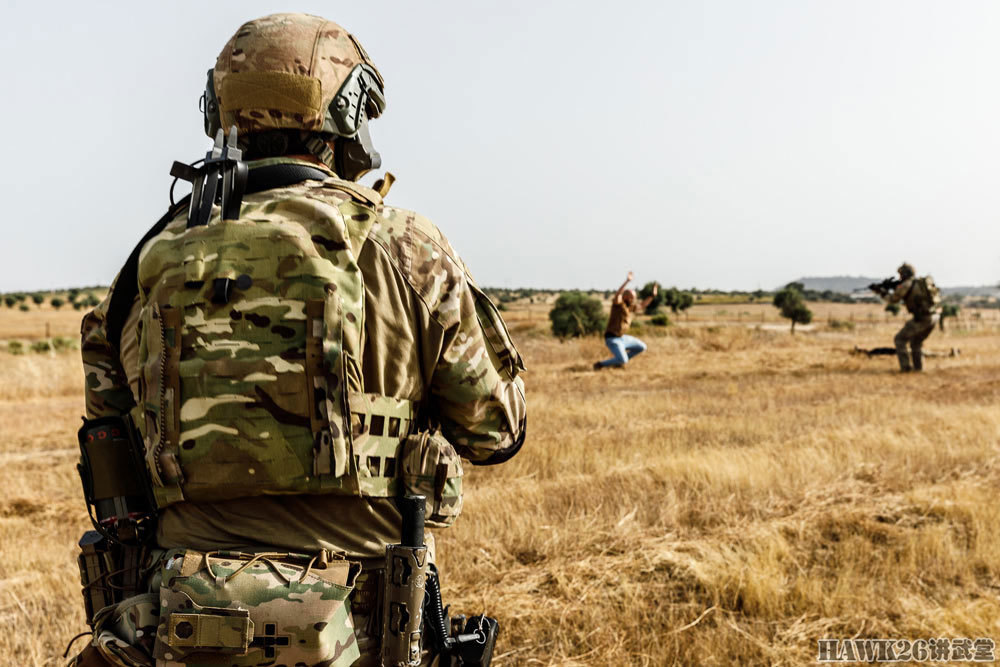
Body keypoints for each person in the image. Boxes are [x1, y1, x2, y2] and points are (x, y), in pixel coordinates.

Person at [72, 13, 525, 667]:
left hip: (181, 633)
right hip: (366, 633)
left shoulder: (143, 267)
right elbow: (499, 430)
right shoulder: (402, 245)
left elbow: (115, 475)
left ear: (218, 111)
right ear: (347, 115)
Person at [883, 262, 941, 372]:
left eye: (901, 275)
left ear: (905, 274)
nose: (899, 277)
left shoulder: (906, 285)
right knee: (916, 342)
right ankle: (918, 369)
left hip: (923, 318)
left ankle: (905, 369)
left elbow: (893, 299)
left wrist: (882, 293)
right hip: (934, 316)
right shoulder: (919, 283)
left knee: (900, 339)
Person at [593, 271, 656, 370]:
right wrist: (627, 281)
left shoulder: (629, 307)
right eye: (632, 297)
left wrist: (652, 296)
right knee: (624, 360)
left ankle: (619, 361)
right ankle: (600, 364)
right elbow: (618, 294)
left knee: (642, 347)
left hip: (622, 337)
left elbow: (642, 305)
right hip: (612, 339)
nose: (634, 299)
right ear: (626, 296)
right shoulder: (618, 304)